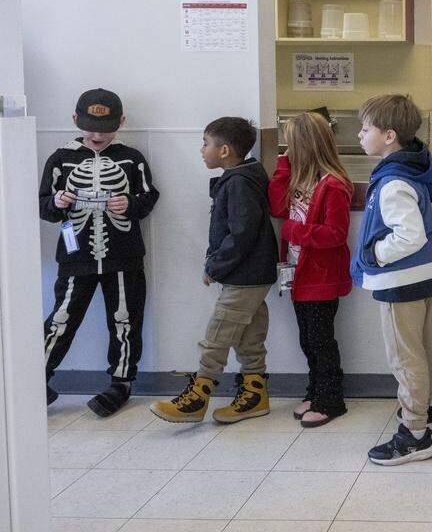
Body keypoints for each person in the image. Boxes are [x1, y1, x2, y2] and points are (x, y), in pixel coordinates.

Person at [150, 117, 277, 424]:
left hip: (244, 274)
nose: (201, 150)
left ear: (224, 151)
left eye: (205, 143)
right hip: (250, 273)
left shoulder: (239, 183)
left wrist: (216, 265)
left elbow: (242, 233)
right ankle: (255, 394)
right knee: (249, 334)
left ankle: (197, 397)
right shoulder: (239, 178)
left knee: (218, 334)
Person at [41, 88, 160, 416]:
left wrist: (130, 204)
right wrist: (57, 202)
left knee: (124, 318)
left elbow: (148, 196)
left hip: (123, 255)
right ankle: (33, 377)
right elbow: (43, 205)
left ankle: (121, 380)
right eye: (91, 126)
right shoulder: (61, 159)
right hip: (74, 254)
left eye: (106, 128)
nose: (97, 135)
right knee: (62, 318)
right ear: (75, 120)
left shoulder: (131, 158)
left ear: (121, 122)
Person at [350, 94, 432, 466]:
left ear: (389, 136)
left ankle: (414, 434)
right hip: (424, 275)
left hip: (401, 280)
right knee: (421, 352)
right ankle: (423, 412)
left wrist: (373, 255)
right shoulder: (412, 168)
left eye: (365, 128)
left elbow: (410, 235)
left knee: (405, 359)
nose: (360, 135)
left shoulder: (392, 182)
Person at [268, 111, 353, 428]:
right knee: (307, 339)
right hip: (298, 275)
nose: (286, 150)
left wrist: (294, 232)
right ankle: (316, 390)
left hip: (321, 277)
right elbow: (276, 206)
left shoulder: (333, 186)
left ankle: (331, 399)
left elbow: (335, 235)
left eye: (290, 146)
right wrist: (283, 165)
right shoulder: (297, 179)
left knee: (321, 340)